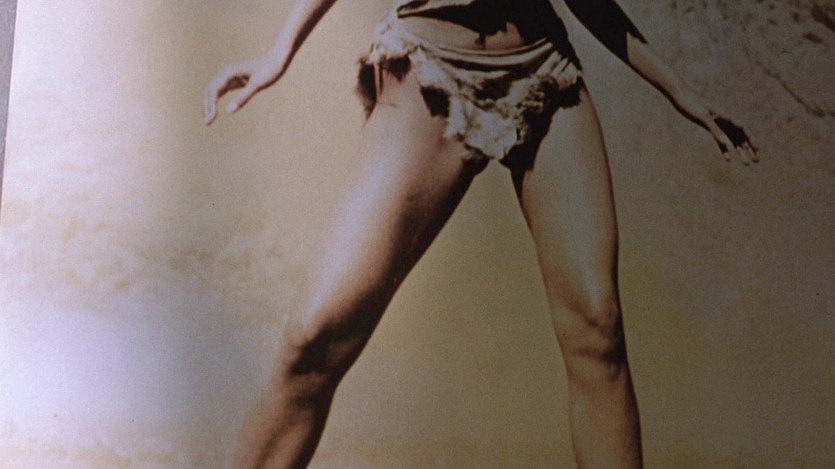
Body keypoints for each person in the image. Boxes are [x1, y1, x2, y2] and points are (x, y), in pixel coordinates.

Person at [203, 0, 756, 467]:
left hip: (543, 68)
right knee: (313, 338)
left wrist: (678, 89)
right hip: (430, 68)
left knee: (598, 327)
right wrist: (281, 49)